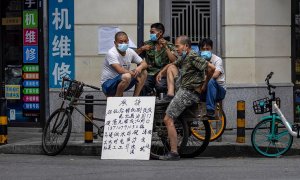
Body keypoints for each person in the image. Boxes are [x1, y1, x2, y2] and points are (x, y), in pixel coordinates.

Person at [159, 36, 215, 160]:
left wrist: (204, 84)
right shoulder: (184, 57)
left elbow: (211, 68)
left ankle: (173, 152)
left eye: (178, 46)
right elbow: (173, 63)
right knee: (171, 68)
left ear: (186, 46)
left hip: (188, 92)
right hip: (184, 88)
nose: (176, 48)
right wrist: (162, 72)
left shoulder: (193, 56)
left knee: (168, 119)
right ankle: (170, 94)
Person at [100, 31, 148, 97]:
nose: (123, 43)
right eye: (120, 42)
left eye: (125, 41)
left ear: (128, 41)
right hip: (108, 85)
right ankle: (117, 100)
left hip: (124, 81)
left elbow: (144, 63)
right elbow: (120, 70)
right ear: (115, 43)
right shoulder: (111, 53)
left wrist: (140, 67)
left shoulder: (130, 51)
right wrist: (133, 73)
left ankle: (135, 98)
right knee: (127, 76)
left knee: (143, 72)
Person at [136, 23, 177, 96]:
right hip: (149, 72)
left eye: (152, 32)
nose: (151, 34)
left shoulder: (169, 45)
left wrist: (166, 48)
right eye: (150, 32)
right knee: (144, 85)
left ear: (160, 33)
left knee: (160, 87)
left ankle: (161, 104)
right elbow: (133, 56)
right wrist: (142, 49)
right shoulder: (147, 43)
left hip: (162, 72)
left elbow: (174, 61)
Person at [198, 38, 226, 119]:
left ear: (211, 49)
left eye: (208, 49)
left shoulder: (217, 60)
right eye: (203, 49)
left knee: (211, 81)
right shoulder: (198, 60)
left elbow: (215, 74)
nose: (205, 51)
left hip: (219, 91)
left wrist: (204, 83)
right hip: (205, 90)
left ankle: (210, 111)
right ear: (200, 50)